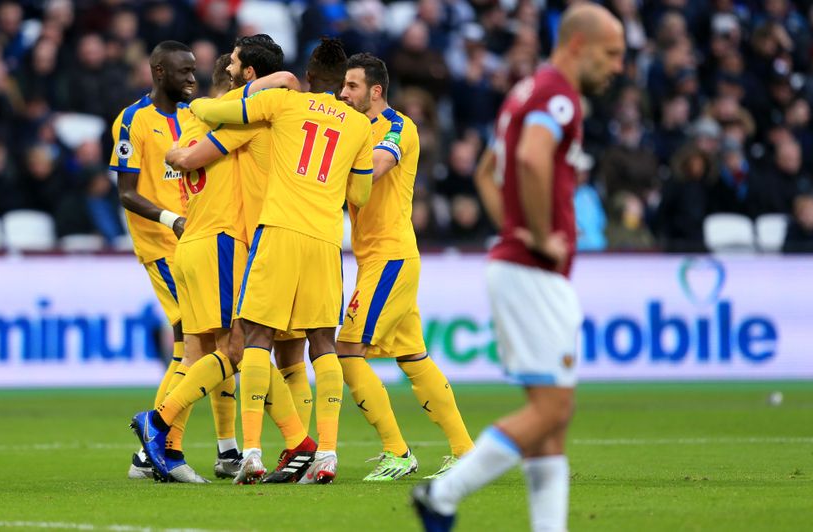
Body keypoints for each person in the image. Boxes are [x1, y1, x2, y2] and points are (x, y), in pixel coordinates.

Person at [412, 4, 625, 531]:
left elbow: (487, 171)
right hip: (532, 273)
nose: (618, 66)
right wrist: (538, 233)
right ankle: (442, 495)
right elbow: (530, 157)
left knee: (549, 426)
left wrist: (515, 227)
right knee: (553, 410)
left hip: (517, 267)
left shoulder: (526, 91)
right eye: (611, 54)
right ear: (578, 45)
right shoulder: (558, 95)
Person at [189, 37, 375, 484]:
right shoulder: (359, 127)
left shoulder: (285, 103)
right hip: (325, 241)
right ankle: (326, 454)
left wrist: (200, 104)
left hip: (278, 232)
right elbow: (361, 193)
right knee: (322, 343)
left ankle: (251, 451)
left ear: (308, 77)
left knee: (257, 336)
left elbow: (216, 113)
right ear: (341, 84)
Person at [131, 37, 315, 483]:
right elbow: (287, 85)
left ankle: (165, 452)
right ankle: (159, 423)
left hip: (192, 245)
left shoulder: (193, 122)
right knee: (242, 348)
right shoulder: (243, 123)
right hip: (224, 243)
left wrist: (179, 152)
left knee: (197, 354)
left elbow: (184, 155)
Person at [337, 53, 474, 481]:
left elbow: (378, 166)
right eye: (343, 85)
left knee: (347, 350)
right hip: (375, 258)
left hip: (390, 257)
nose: (343, 93)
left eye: (352, 86)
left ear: (375, 91)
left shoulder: (397, 126)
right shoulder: (353, 127)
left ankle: (397, 451)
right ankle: (465, 451)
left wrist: (328, 169)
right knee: (414, 358)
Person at [108, 40, 207, 483]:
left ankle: (151, 452)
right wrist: (172, 219)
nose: (192, 78)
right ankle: (161, 447)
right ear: (159, 71)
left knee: (194, 342)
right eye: (184, 71)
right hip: (162, 244)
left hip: (197, 241)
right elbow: (126, 193)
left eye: (195, 70)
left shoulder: (193, 117)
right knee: (192, 337)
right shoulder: (133, 120)